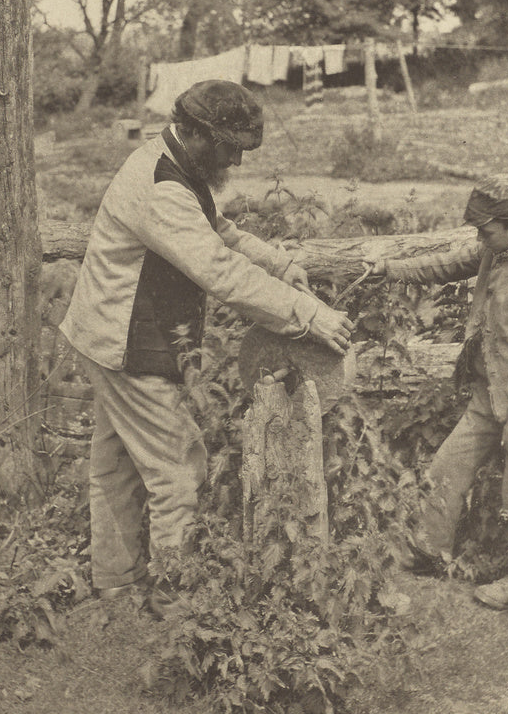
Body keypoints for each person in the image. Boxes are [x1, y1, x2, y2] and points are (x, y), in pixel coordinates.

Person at [59, 80, 353, 605]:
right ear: (195, 133)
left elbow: (222, 233)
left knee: (118, 464)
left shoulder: (174, 164)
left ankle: (115, 583)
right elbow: (219, 271)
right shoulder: (161, 187)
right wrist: (307, 314)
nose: (236, 162)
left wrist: (280, 263)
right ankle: (179, 603)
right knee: (178, 467)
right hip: (126, 344)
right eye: (230, 148)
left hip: (108, 334)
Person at [371, 173, 508, 611]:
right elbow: (448, 263)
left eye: (485, 229)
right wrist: (392, 269)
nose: (479, 237)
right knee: (447, 467)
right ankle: (428, 550)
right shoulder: (497, 250)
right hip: (489, 395)